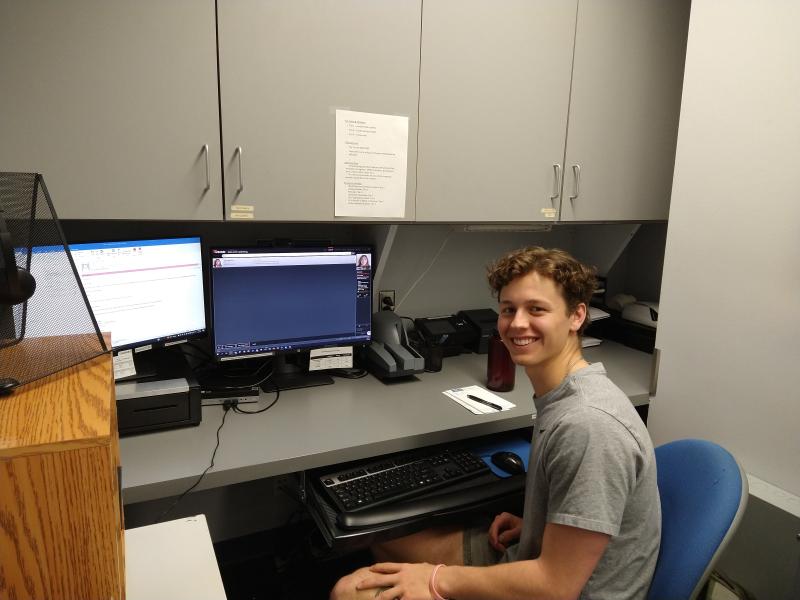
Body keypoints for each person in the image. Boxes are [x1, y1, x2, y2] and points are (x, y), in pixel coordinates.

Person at [330, 246, 661, 600]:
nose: (517, 323)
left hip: (559, 589)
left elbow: (555, 587)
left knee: (350, 591)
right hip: (539, 554)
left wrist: (435, 580)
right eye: (508, 309)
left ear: (577, 316)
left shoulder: (590, 426)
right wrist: (539, 525)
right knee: (388, 542)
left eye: (536, 309)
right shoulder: (568, 394)